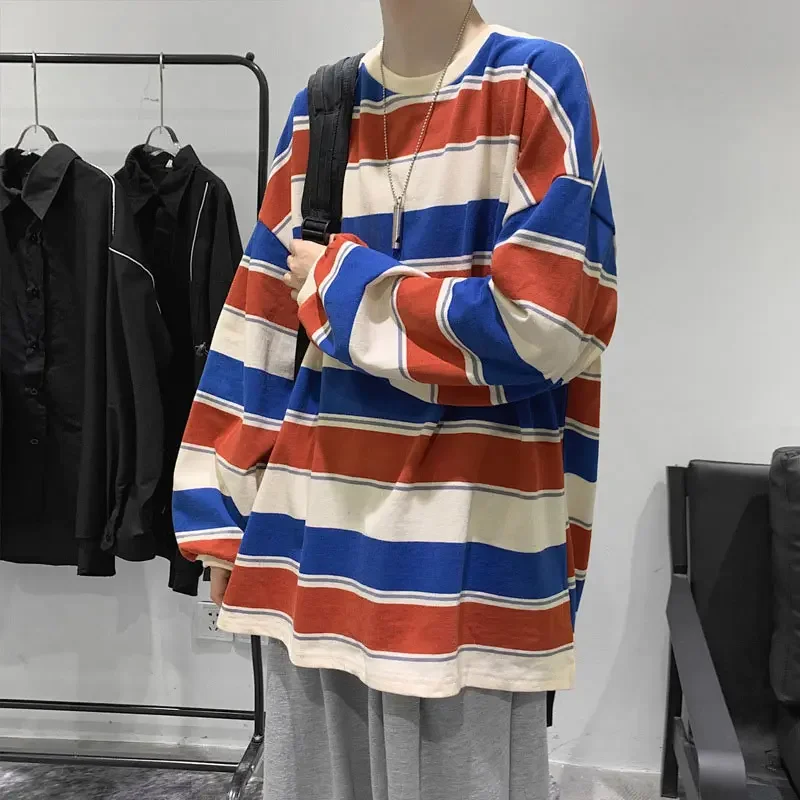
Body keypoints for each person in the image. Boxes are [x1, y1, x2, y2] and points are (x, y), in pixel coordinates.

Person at [173, 1, 617, 798]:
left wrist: (344, 286)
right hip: (311, 559)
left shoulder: (534, 82)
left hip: (470, 567)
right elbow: (259, 327)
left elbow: (542, 327)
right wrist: (220, 515)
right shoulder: (320, 111)